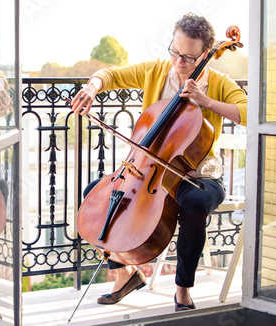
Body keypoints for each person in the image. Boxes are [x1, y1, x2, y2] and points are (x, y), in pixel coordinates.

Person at [70, 13, 247, 311]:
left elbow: (248, 111)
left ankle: (182, 289)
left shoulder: (218, 83)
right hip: (149, 173)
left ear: (206, 55)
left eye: (189, 57)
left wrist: (206, 102)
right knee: (95, 194)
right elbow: (111, 75)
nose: (179, 61)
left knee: (194, 205)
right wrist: (92, 87)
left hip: (198, 175)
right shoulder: (155, 71)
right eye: (175, 52)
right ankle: (126, 273)